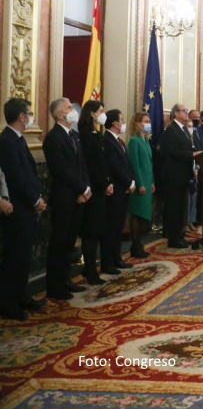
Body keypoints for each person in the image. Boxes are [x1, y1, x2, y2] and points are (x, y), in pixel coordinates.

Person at [0, 98, 46, 319]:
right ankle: (10, 303)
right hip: (17, 209)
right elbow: (16, 177)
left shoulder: (17, 139)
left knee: (24, 256)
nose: (31, 117)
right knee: (15, 257)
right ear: (21, 116)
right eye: (29, 113)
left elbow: (28, 174)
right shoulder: (7, 141)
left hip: (26, 207)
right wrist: (34, 201)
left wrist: (37, 197)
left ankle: (22, 296)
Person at [43, 98, 90, 299]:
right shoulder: (53, 138)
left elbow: (82, 165)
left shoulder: (74, 135)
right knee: (59, 243)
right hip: (64, 197)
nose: (74, 110)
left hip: (78, 196)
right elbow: (61, 170)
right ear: (60, 115)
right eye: (69, 107)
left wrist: (86, 188)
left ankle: (66, 279)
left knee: (69, 242)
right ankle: (55, 286)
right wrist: (80, 188)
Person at [78, 100, 114, 282]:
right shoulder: (84, 136)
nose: (103, 114)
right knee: (91, 232)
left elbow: (103, 162)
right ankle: (90, 270)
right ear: (92, 114)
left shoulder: (97, 135)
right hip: (93, 190)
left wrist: (108, 182)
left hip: (103, 189)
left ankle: (97, 266)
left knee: (100, 229)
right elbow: (90, 165)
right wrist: (102, 184)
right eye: (101, 111)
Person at [159, 104, 200, 249]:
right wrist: (192, 154)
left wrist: (194, 154)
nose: (186, 113)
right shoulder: (171, 130)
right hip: (174, 176)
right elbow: (172, 152)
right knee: (174, 208)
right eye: (184, 111)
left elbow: (186, 148)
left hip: (183, 175)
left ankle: (180, 235)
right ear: (176, 113)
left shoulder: (182, 129)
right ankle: (173, 238)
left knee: (182, 207)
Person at [103, 110, 136, 271]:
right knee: (112, 227)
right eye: (122, 120)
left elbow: (126, 164)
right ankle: (109, 261)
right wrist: (128, 182)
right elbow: (115, 167)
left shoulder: (120, 142)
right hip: (115, 190)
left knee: (119, 226)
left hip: (124, 189)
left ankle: (117, 258)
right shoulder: (107, 141)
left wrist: (132, 181)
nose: (123, 123)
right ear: (115, 124)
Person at [127, 112, 154, 258]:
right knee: (137, 215)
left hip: (148, 181)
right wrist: (140, 183)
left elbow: (149, 163)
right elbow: (135, 165)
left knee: (144, 216)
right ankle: (136, 246)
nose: (148, 123)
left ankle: (139, 244)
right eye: (145, 121)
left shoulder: (145, 140)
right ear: (138, 123)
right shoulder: (134, 141)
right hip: (140, 184)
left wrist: (152, 181)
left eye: (149, 121)